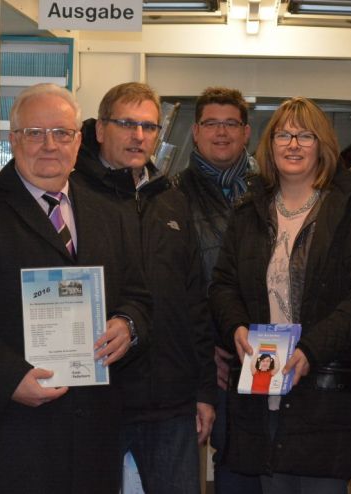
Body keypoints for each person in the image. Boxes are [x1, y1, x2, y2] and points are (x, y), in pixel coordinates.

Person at [0, 83, 151, 493]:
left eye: (62, 133)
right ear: (13, 140)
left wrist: (128, 324)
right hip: (4, 437)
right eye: (34, 133)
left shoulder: (112, 211)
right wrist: (11, 378)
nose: (50, 145)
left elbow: (138, 294)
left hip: (90, 441)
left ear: (79, 139)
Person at [209, 96, 351, 493]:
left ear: (322, 144)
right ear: (269, 145)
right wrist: (235, 327)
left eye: (305, 135)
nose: (293, 144)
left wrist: (310, 349)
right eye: (284, 135)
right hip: (261, 388)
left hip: (325, 392)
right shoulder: (248, 211)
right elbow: (223, 283)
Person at [74, 82, 215, 494]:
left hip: (169, 403)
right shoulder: (72, 194)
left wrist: (204, 392)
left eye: (149, 127)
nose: (139, 136)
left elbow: (194, 303)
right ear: (100, 129)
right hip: (97, 400)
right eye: (127, 124)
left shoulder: (171, 201)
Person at [174, 87, 262, 494]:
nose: (221, 133)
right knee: (232, 466)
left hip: (273, 353)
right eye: (212, 123)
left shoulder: (274, 189)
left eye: (231, 124)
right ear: (195, 131)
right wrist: (207, 349)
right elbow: (171, 285)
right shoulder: (171, 195)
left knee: (276, 464)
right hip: (213, 359)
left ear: (246, 133)